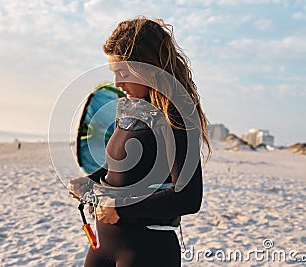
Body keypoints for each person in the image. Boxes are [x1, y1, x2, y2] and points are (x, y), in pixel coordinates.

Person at [68, 17, 211, 267]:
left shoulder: (176, 116)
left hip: (147, 250)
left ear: (148, 66)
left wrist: (120, 210)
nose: (117, 84)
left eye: (123, 72)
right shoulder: (131, 109)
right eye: (114, 73)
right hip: (104, 244)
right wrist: (91, 180)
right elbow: (120, 166)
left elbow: (188, 197)